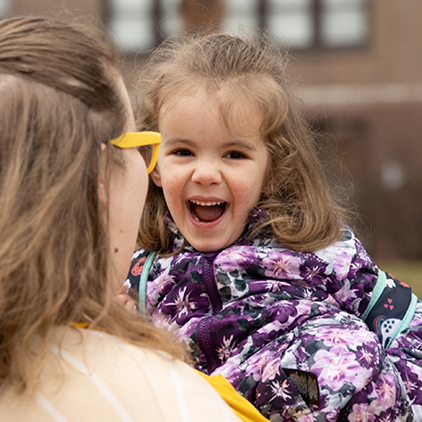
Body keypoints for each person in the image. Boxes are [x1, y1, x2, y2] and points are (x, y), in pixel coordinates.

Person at [127, 32, 422, 421]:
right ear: (154, 163)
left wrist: (393, 394)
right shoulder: (142, 270)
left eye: (234, 154)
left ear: (272, 170)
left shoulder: (317, 250)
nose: (205, 173)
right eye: (183, 152)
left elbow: (404, 322)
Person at [0, 16, 269, 422]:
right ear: (100, 176)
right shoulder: (164, 401)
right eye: (144, 146)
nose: (205, 174)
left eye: (234, 154)